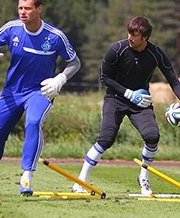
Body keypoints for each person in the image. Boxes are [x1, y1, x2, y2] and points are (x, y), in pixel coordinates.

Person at [0, 0, 81, 196]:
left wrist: (61, 78)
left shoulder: (56, 36)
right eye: (20, 8)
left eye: (28, 8)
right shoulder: (12, 28)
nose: (23, 12)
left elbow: (74, 62)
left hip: (40, 92)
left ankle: (26, 177)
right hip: (11, 93)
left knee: (33, 123)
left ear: (39, 9)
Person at [72, 16, 180, 195]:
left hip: (141, 102)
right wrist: (129, 93)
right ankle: (80, 181)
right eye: (129, 33)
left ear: (145, 37)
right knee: (106, 139)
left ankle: (143, 177)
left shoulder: (156, 53)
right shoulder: (117, 49)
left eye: (135, 35)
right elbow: (104, 78)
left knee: (152, 136)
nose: (130, 37)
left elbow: (173, 82)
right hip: (115, 98)